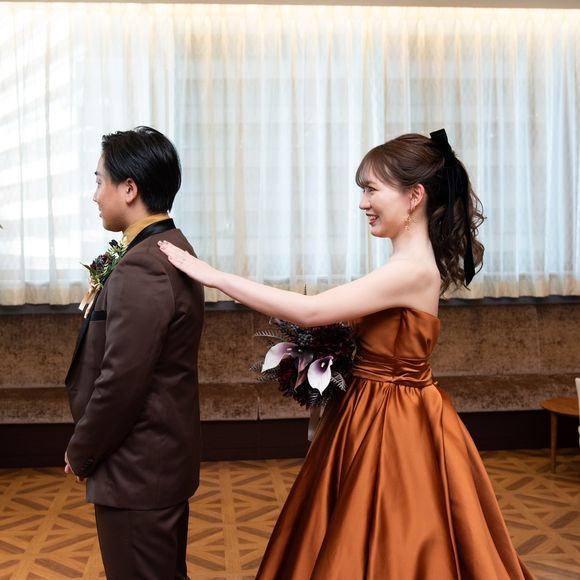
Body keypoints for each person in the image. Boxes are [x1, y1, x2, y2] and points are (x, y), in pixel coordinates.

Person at [158, 130, 532, 579]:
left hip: (394, 419)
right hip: (373, 406)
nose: (362, 203)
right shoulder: (404, 265)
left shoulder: (411, 270)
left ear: (414, 196)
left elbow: (311, 310)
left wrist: (214, 276)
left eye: (371, 190)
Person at [64, 126, 205, 579]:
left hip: (137, 467)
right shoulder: (169, 247)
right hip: (155, 460)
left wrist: (82, 450)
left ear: (129, 189)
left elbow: (122, 380)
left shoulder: (144, 265)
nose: (94, 195)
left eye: (99, 181)